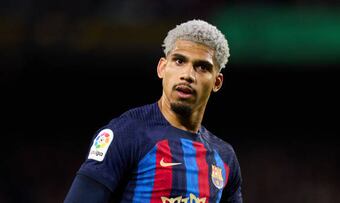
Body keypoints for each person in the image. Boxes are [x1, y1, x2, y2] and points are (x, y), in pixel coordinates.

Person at [64, 19, 243, 203]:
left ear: (217, 82)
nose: (188, 75)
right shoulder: (126, 134)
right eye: (179, 61)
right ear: (162, 68)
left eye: (202, 67)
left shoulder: (224, 158)